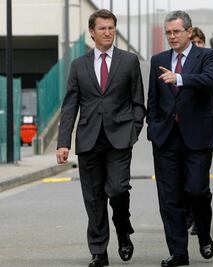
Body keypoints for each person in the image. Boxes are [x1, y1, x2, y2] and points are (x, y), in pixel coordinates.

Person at [56, 9, 145, 267]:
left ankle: (123, 228)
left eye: (111, 28)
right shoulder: (78, 65)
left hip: (120, 139)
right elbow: (70, 105)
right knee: (94, 198)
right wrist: (64, 142)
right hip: (88, 140)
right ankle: (99, 251)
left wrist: (133, 130)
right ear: (92, 32)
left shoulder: (129, 61)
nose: (108, 32)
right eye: (102, 28)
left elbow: (137, 102)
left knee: (117, 189)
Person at [147, 10, 213, 267]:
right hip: (166, 140)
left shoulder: (207, 56)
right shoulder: (158, 59)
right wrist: (154, 129)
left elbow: (210, 81)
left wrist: (179, 78)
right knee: (169, 198)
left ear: (189, 32)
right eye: (168, 32)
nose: (171, 36)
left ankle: (203, 232)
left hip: (198, 138)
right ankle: (179, 252)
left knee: (197, 191)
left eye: (176, 31)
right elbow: (153, 101)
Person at [185, 26, 213, 236]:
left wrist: (208, 116)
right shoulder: (178, 66)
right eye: (193, 43)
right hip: (180, 131)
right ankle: (189, 216)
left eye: (199, 42)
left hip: (202, 131)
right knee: (184, 181)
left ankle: (199, 219)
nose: (196, 46)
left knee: (199, 183)